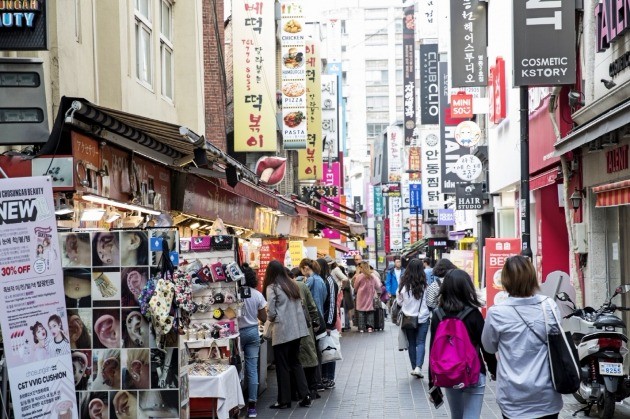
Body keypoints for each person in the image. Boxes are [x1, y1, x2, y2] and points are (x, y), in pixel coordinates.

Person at [482, 255, 563, 419]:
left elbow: (488, 347)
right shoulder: (549, 305)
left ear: (505, 280)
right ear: (533, 278)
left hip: (513, 397)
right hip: (547, 395)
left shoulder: (497, 313)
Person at [429, 269, 497, 419]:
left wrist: (432, 382)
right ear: (467, 288)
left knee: (456, 416)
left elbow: (433, 349)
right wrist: (494, 369)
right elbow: (485, 346)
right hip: (473, 372)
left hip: (448, 373)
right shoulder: (473, 314)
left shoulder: (437, 315)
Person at [263, 260, 311, 409]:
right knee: (295, 362)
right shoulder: (292, 284)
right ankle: (306, 395)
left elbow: (270, 311)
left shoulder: (272, 287)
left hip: (282, 331)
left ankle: (284, 400)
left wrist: (271, 319)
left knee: (282, 366)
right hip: (296, 331)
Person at [238, 263, 268, 418]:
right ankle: (252, 406)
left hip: (235, 334)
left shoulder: (234, 293)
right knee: (252, 368)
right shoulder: (256, 294)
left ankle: (235, 403)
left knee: (235, 367)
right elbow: (263, 317)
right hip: (252, 332)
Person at [288, 267, 322, 400]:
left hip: (291, 330)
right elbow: (312, 306)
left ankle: (298, 391)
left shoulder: (280, 287)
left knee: (296, 360)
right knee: (310, 356)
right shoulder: (302, 285)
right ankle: (312, 389)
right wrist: (315, 322)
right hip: (306, 327)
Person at [396, 258, 430, 378]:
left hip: (408, 318)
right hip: (423, 318)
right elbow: (428, 301)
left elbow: (399, 302)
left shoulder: (403, 286)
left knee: (412, 343)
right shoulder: (425, 285)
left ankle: (414, 367)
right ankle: (418, 367)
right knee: (421, 343)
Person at [317, 258, 339, 389]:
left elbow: (332, 305)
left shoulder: (330, 282)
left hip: (327, 323)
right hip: (324, 322)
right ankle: (324, 376)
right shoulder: (322, 280)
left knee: (329, 348)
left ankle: (329, 377)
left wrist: (329, 324)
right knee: (324, 348)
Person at [353, 262, 381, 333]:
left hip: (361, 296)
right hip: (370, 296)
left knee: (361, 312)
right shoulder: (373, 276)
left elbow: (355, 287)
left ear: (362, 268)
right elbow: (378, 286)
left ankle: (361, 328)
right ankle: (370, 328)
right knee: (370, 312)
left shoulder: (359, 276)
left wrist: (356, 291)